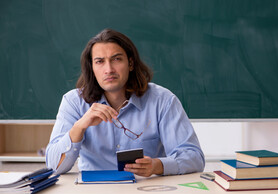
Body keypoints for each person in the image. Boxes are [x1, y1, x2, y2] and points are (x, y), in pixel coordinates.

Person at [46, 28, 205, 177]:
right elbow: (54, 165)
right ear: (92, 68)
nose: (109, 69)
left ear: (130, 63)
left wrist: (157, 166)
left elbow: (194, 158)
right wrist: (79, 127)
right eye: (100, 61)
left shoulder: (162, 100)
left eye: (116, 59)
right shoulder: (73, 102)